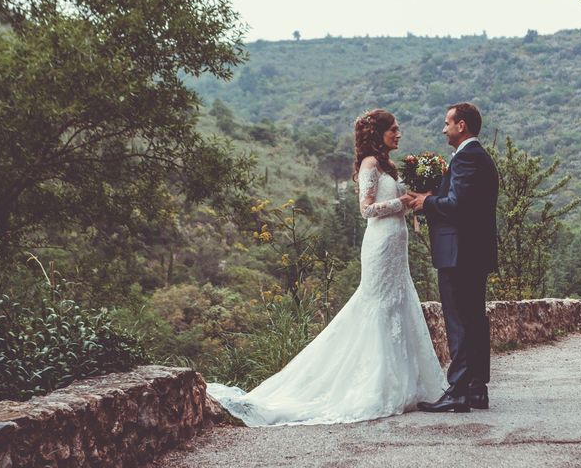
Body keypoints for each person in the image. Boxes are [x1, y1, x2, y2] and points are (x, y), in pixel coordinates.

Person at [207, 109, 445, 426]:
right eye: (394, 129)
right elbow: (366, 209)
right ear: (378, 133)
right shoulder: (370, 165)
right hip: (380, 243)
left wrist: (415, 197)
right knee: (378, 306)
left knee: (399, 304)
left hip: (396, 243)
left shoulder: (388, 164)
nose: (399, 133)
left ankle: (405, 382)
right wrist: (402, 202)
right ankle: (377, 383)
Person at [408, 103, 499, 413]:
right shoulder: (477, 158)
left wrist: (426, 201)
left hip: (460, 254)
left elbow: (456, 204)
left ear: (462, 126)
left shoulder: (467, 158)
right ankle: (476, 389)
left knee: (459, 321)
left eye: (447, 123)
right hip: (473, 254)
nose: (444, 128)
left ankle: (458, 390)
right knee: (474, 320)